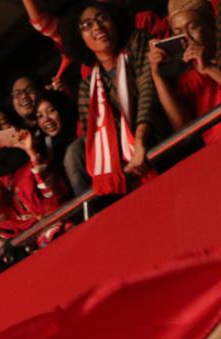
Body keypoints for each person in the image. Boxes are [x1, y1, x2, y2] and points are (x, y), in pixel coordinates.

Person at [61, 1, 162, 194]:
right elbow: (94, 138)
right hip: (128, 168)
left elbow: (148, 91)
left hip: (160, 136)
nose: (97, 27)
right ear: (80, 38)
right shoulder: (87, 87)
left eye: (102, 18)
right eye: (87, 25)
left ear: (114, 21)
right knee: (75, 152)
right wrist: (123, 166)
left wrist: (139, 140)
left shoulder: (137, 42)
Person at [149, 0, 221, 145]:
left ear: (212, 25)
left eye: (192, 27)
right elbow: (182, 128)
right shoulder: (188, 76)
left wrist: (208, 68)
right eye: (178, 33)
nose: (187, 38)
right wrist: (157, 75)